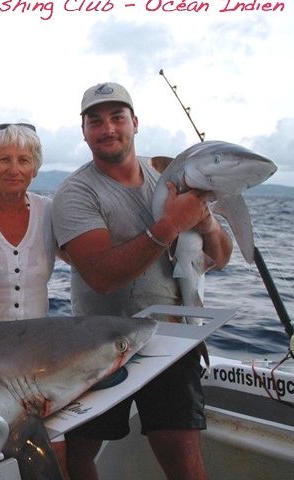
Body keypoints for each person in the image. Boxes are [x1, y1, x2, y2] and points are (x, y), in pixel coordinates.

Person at [52, 82, 233, 480]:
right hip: (101, 346)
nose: (108, 128)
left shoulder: (169, 177)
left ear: (135, 122)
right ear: (83, 131)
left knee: (186, 465)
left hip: (170, 342)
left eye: (118, 117)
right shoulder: (75, 193)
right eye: (95, 121)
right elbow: (101, 276)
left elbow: (219, 256)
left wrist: (205, 223)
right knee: (78, 457)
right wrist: (170, 225)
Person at [0, 122, 58, 321]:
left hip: (35, 343)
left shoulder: (49, 211)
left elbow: (79, 262)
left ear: (34, 169)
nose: (14, 169)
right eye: (4, 159)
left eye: (24, 160)